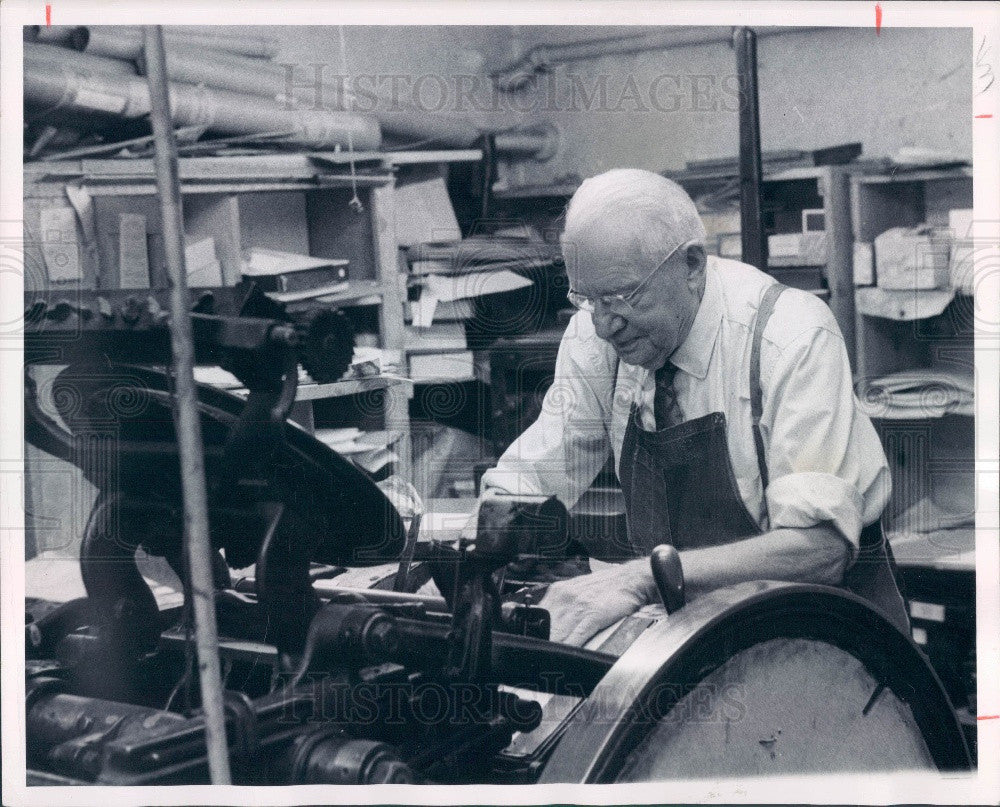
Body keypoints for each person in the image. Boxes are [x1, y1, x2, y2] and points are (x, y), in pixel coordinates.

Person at [477, 168, 905, 647]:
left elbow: (819, 550)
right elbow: (538, 470)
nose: (602, 324)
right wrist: (482, 545)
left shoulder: (789, 336)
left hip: (825, 637)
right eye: (586, 298)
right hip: (691, 628)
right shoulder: (599, 338)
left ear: (693, 264)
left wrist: (633, 579)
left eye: (621, 296)